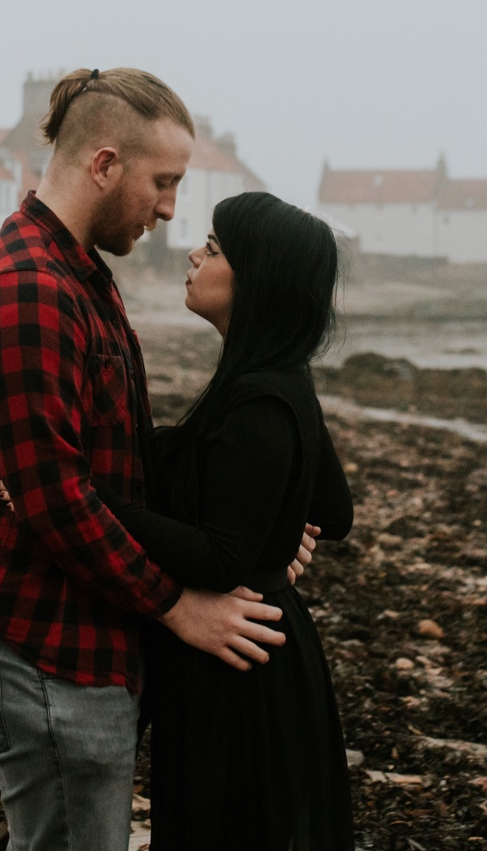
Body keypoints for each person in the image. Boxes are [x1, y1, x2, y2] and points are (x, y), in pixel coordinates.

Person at [0, 67, 293, 851]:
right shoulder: (31, 286)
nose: (170, 209)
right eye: (163, 182)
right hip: (40, 638)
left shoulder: (81, 276)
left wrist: (258, 517)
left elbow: (125, 460)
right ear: (104, 164)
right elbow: (53, 497)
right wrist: (178, 607)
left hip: (82, 633)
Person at [109, 191, 356, 851]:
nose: (194, 253)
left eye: (214, 249)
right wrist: (278, 542)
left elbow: (219, 557)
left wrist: (104, 503)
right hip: (269, 651)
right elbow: (333, 509)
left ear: (258, 280)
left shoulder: (258, 397)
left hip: (237, 674)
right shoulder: (279, 377)